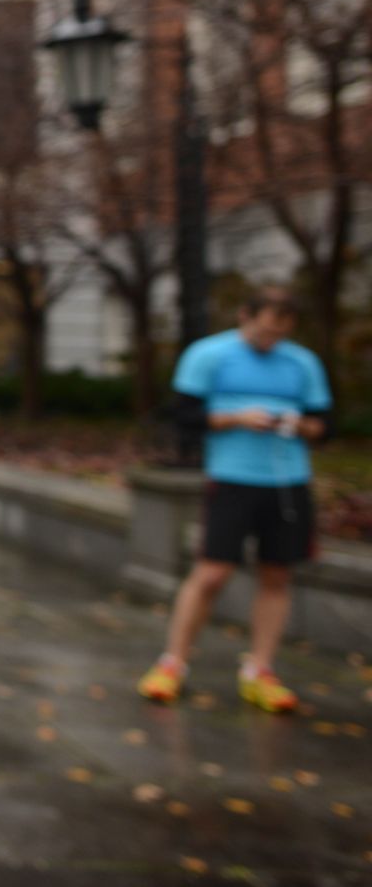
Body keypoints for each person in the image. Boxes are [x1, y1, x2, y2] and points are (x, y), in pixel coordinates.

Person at [138, 286, 333, 713]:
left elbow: (325, 425)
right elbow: (184, 417)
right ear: (245, 316)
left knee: (277, 576)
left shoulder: (302, 363)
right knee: (212, 573)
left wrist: (298, 425)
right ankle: (172, 663)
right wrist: (237, 419)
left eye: (280, 331)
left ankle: (260, 670)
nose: (271, 337)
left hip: (288, 483)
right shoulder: (208, 355)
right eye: (264, 328)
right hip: (231, 480)